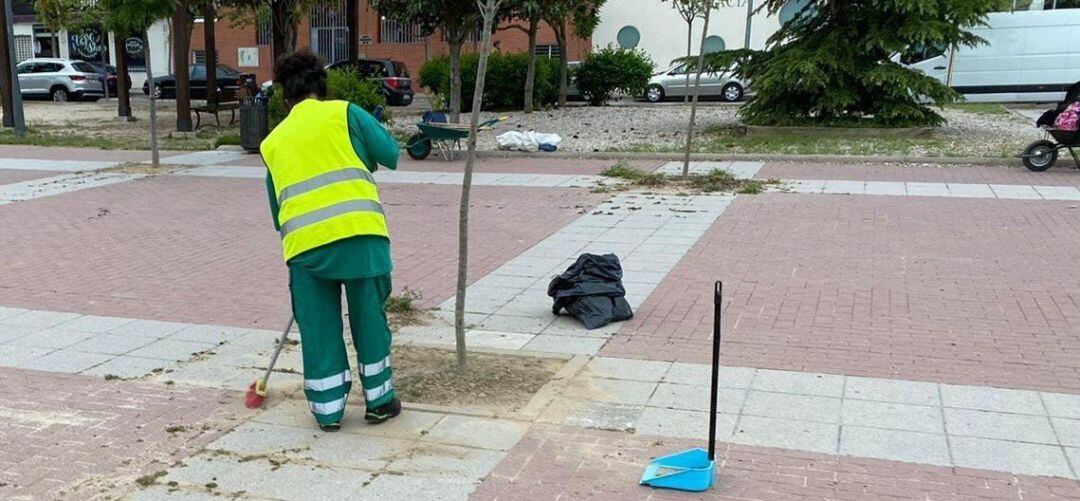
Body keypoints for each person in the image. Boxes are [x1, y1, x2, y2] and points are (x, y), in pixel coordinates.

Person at [260, 51, 401, 431]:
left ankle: (327, 411)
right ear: (323, 88)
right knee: (369, 321)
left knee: (319, 331)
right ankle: (379, 402)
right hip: (362, 239)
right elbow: (391, 155)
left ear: (285, 99)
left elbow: (278, 213)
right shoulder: (347, 113)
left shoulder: (272, 143)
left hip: (307, 250)